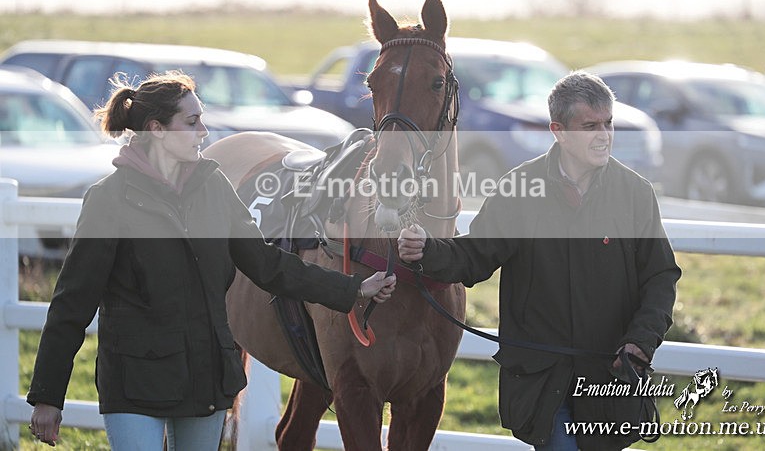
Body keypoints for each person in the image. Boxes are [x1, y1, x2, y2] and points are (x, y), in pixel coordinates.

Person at [27, 71, 396, 449]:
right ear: (157, 130)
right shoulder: (108, 200)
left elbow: (268, 265)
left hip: (206, 378)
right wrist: (47, 395)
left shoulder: (214, 186)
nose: (204, 131)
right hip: (135, 382)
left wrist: (353, 289)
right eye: (192, 122)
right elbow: (72, 302)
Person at [398, 71, 680, 450]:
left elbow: (660, 277)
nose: (604, 135)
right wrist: (427, 250)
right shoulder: (519, 189)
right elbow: (474, 256)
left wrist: (640, 342)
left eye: (608, 123)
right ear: (559, 131)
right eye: (590, 126)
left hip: (610, 380)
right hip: (542, 381)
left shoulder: (635, 194)